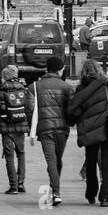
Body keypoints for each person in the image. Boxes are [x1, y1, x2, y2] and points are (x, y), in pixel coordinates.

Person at [67, 59, 108, 206]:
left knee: (91, 164)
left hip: (90, 132)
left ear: (84, 72)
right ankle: (105, 197)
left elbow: (75, 111)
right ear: (98, 70)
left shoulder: (81, 89)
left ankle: (91, 194)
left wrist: (72, 121)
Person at [31, 56, 73, 205]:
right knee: (57, 160)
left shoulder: (35, 86)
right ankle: (55, 192)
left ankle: (55, 191)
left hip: (45, 129)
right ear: (60, 69)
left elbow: (29, 108)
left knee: (52, 160)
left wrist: (33, 127)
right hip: (62, 129)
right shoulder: (67, 87)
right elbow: (72, 109)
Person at [0, 63, 33, 194]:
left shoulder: (2, 92)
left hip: (6, 128)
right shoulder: (24, 91)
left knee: (9, 156)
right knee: (21, 153)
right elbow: (30, 108)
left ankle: (13, 186)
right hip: (21, 127)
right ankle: (21, 183)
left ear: (4, 77)